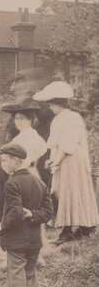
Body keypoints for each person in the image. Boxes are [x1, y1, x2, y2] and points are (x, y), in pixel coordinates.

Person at [33, 81, 99, 244]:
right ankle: (76, 228)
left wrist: (55, 162)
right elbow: (56, 144)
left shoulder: (71, 118)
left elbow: (66, 145)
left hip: (72, 161)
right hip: (64, 159)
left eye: (51, 104)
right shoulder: (60, 118)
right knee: (63, 192)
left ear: (57, 103)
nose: (50, 107)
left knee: (71, 191)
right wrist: (52, 159)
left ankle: (77, 228)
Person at [0, 143, 53, 287]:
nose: (1, 164)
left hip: (17, 240)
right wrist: (33, 214)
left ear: (16, 161)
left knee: (16, 275)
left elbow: (16, 212)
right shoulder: (39, 182)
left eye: (4, 160)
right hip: (34, 241)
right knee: (30, 274)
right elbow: (48, 212)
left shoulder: (12, 183)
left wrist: (3, 224)